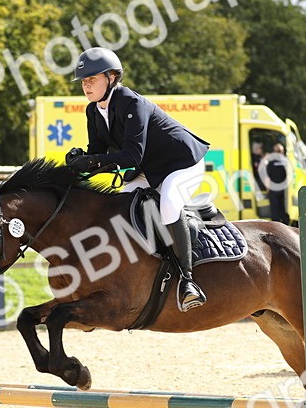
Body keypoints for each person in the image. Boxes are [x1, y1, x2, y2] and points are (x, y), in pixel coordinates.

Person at [64, 47, 210, 311]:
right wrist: (79, 161)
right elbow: (98, 152)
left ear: (111, 77)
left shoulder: (133, 103)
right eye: (84, 81)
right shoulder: (93, 111)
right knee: (115, 209)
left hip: (182, 164)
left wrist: (92, 162)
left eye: (91, 79)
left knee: (167, 206)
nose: (86, 85)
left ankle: (189, 282)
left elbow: (131, 156)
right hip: (148, 168)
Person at [260, 143, 290, 225]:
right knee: (283, 208)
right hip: (285, 190)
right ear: (282, 151)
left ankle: (276, 226)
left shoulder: (271, 163)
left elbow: (267, 177)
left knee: (275, 209)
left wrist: (267, 189)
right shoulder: (287, 162)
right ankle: (285, 224)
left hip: (273, 189)